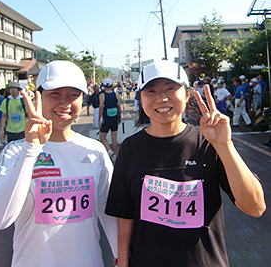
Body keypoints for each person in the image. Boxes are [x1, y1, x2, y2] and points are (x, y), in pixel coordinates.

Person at [105, 60, 265, 267]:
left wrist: (224, 146)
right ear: (141, 98)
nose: (161, 98)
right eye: (150, 91)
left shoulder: (208, 144)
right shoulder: (130, 149)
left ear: (187, 94)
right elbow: (125, 215)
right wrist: (123, 262)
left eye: (171, 89)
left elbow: (255, 207)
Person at [0, 60, 118, 267]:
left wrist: (121, 257)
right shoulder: (16, 152)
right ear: (38, 96)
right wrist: (31, 149)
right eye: (55, 93)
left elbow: (109, 211)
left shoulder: (95, 150)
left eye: (73, 95)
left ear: (83, 99)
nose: (64, 103)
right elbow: (0, 219)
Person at [99, 78, 121, 161]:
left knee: (102, 137)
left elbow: (101, 107)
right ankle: (114, 155)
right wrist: (120, 116)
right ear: (112, 85)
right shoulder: (116, 95)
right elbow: (119, 107)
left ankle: (109, 151)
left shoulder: (102, 95)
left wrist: (99, 120)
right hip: (115, 117)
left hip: (106, 118)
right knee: (114, 137)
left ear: (103, 85)